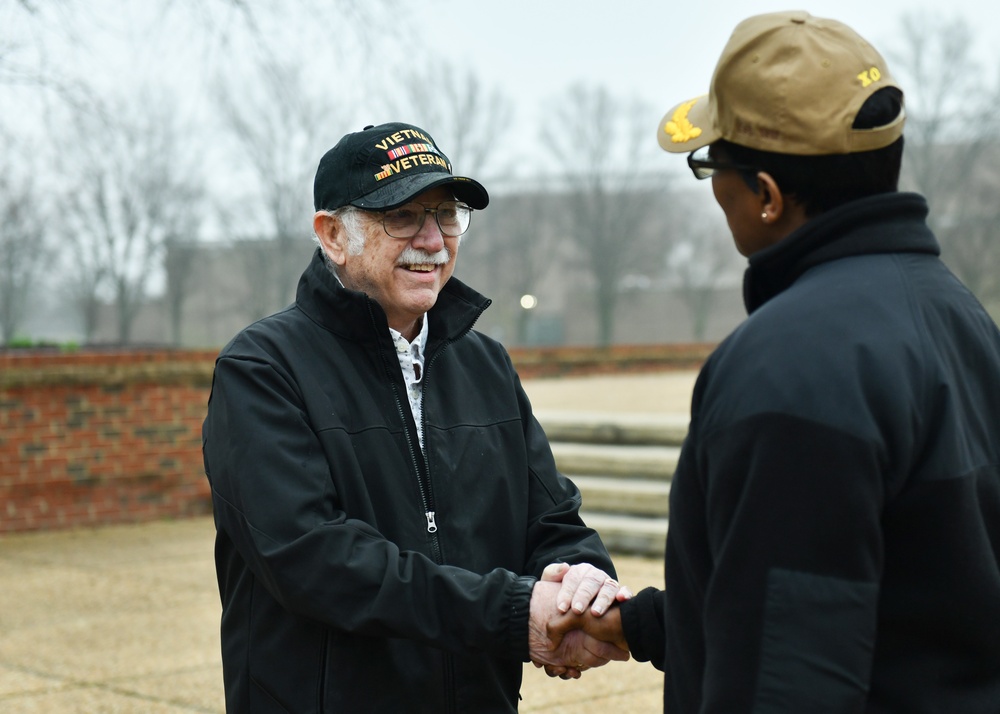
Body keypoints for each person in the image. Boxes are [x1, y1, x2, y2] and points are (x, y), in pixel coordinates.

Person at [547, 11, 1000, 712]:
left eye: (711, 168)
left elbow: (787, 674)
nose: (715, 191)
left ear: (766, 195)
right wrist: (637, 625)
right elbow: (890, 589)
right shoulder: (958, 315)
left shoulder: (789, 365)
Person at [202, 121, 631, 713]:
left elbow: (551, 519)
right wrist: (510, 613)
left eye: (447, 214)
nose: (432, 240)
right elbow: (315, 560)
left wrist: (581, 585)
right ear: (332, 235)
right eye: (403, 216)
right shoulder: (262, 369)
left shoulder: (485, 364)